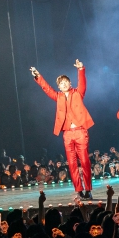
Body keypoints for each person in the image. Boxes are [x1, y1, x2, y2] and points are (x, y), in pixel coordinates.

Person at [31, 60, 95, 200]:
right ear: (59, 86)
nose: (64, 84)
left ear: (70, 83)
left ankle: (88, 189)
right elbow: (47, 89)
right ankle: (78, 190)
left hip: (80, 131)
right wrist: (38, 76)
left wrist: (81, 69)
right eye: (61, 83)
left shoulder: (78, 93)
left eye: (66, 82)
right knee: (71, 163)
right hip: (67, 133)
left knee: (85, 162)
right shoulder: (58, 96)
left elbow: (82, 83)